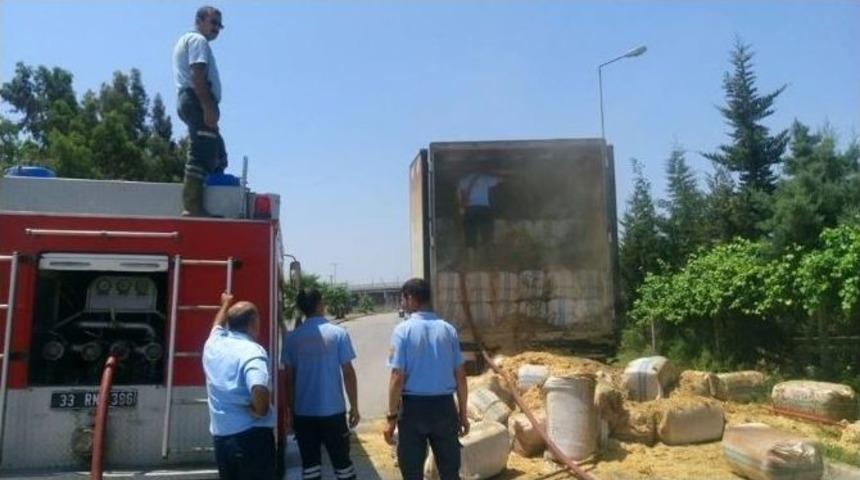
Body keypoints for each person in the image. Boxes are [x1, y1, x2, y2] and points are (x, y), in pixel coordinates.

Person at [383, 278, 469, 480]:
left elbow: (397, 377)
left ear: (411, 298)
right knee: (450, 471)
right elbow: (461, 376)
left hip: (414, 411)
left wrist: (391, 417)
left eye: (403, 299)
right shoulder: (448, 330)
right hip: (445, 409)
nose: (402, 304)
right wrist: (462, 413)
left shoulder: (403, 330)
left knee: (412, 472)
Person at [282, 288, 360, 480]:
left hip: (304, 414)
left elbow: (289, 380)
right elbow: (348, 373)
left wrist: (291, 412)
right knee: (343, 465)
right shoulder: (338, 334)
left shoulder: (291, 339)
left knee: (310, 467)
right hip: (333, 413)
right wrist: (354, 407)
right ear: (319, 305)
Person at [202, 293, 275, 480]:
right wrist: (260, 410)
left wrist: (225, 304)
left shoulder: (213, 344)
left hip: (222, 441)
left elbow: (217, 326)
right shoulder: (252, 351)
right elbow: (258, 387)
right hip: (251, 441)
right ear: (253, 322)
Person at [172, 6, 227, 216]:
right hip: (197, 99)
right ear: (200, 20)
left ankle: (209, 201)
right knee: (201, 153)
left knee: (218, 153)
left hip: (194, 99)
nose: (216, 29)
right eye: (213, 23)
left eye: (219, 26)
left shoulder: (191, 40)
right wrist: (208, 106)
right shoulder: (197, 41)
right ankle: (193, 206)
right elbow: (198, 75)